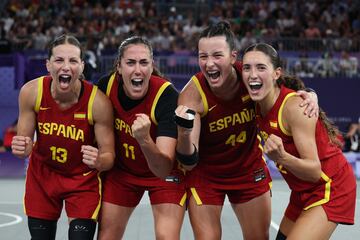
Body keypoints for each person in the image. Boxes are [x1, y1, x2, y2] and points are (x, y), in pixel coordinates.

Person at [174, 21, 319, 240]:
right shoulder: (192, 95)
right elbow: (189, 161)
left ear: (233, 57)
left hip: (248, 170)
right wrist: (184, 132)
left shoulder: (250, 76)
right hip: (206, 175)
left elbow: (284, 88)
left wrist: (310, 93)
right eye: (203, 56)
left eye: (217, 55)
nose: (209, 63)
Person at [241, 42, 356, 239]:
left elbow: (313, 171)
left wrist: (282, 157)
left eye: (261, 67)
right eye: (247, 68)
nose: (252, 74)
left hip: (329, 187)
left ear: (277, 73)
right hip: (301, 190)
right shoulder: (255, 103)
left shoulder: (293, 108)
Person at [11, 34, 115, 240]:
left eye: (73, 60)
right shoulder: (31, 92)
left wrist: (99, 160)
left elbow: (109, 156)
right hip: (43, 176)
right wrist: (22, 148)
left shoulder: (98, 102)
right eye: (59, 60)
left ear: (82, 66)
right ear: (48, 64)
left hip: (82, 180)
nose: (66, 67)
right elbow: (24, 145)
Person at [97, 36, 186, 240]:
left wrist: (144, 140)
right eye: (130, 63)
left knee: (167, 237)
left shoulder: (166, 96)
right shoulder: (105, 87)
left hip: (164, 175)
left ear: (152, 66)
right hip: (123, 173)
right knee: (106, 236)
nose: (138, 70)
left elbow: (163, 169)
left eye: (144, 63)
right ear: (118, 67)